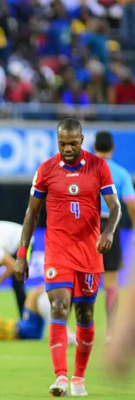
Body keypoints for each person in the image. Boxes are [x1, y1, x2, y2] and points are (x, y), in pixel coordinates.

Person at [15, 118, 121, 397]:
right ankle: (60, 377)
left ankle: (79, 377)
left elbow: (115, 206)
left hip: (89, 252)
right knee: (59, 306)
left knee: (84, 314)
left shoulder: (99, 167)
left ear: (82, 141)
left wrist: (108, 231)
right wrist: (21, 254)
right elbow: (31, 214)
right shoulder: (46, 169)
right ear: (57, 141)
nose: (68, 149)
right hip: (58, 251)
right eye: (63, 144)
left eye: (73, 143)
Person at [93, 131, 135, 343]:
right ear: (113, 148)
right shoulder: (120, 173)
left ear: (93, 147)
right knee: (111, 282)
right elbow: (131, 204)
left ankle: (75, 331)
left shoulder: (84, 170)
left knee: (79, 279)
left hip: (85, 225)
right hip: (110, 224)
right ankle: (110, 333)